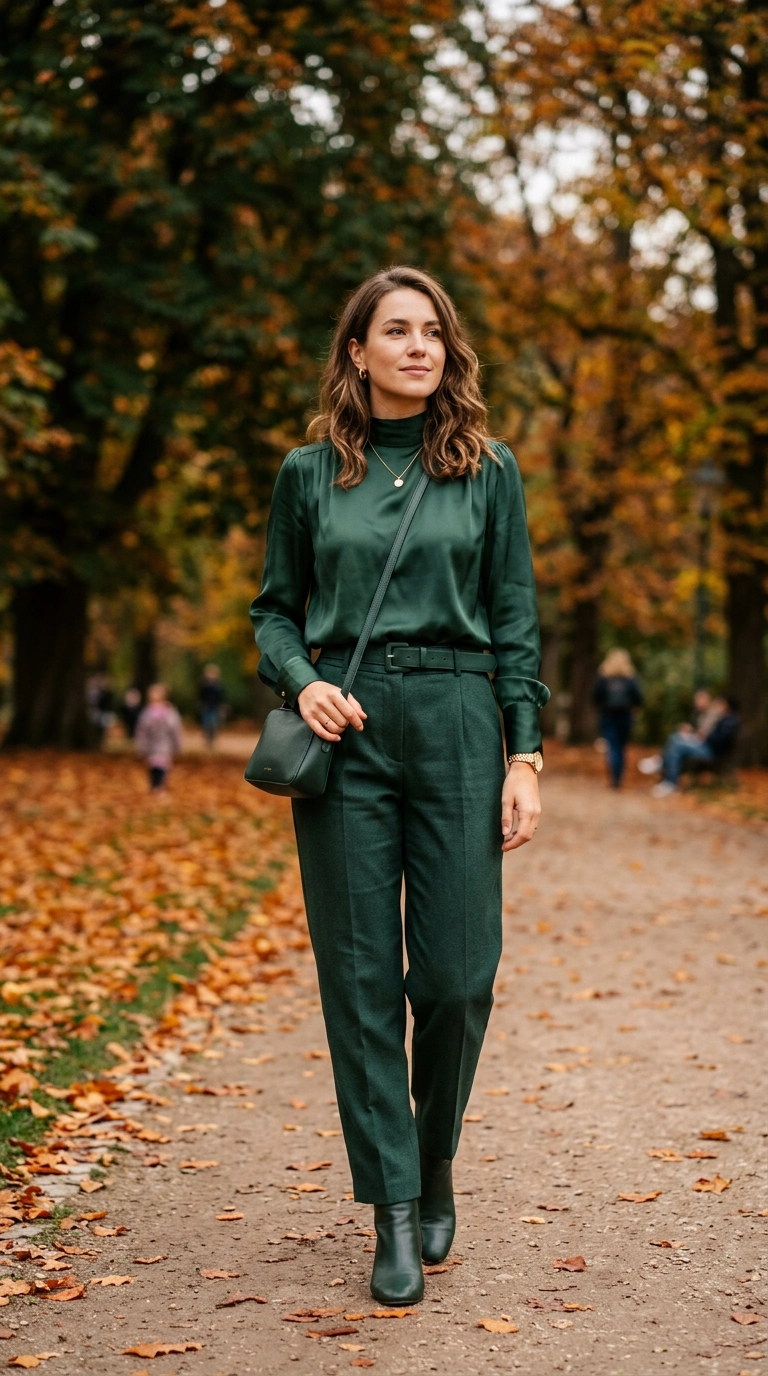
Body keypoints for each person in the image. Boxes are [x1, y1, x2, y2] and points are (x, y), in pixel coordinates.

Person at [250, 266, 549, 1306]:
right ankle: (389, 1210)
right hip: (350, 730)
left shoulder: (487, 468)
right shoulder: (307, 475)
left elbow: (514, 616)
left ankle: (433, 1162)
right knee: (363, 976)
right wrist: (304, 680)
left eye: (432, 331)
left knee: (460, 975)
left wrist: (525, 753)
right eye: (397, 330)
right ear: (358, 352)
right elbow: (272, 613)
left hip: (463, 719)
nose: (419, 346)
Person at [647, 694, 740, 797]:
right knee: (676, 738)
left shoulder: (729, 721)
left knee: (676, 744)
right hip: (706, 746)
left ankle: (667, 777)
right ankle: (664, 770)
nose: (719, 705)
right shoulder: (724, 718)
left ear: (727, 705)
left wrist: (705, 736)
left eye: (721, 703)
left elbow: (719, 739)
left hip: (711, 751)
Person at [592, 649, 643, 788]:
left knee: (612, 746)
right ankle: (619, 777)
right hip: (625, 715)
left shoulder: (604, 677)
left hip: (608, 714)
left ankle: (614, 777)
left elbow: (596, 696)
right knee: (621, 747)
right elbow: (638, 696)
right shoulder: (630, 677)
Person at [134, 683, 182, 791]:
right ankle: (156, 787)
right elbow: (142, 731)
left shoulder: (169, 712)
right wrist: (142, 746)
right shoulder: (148, 712)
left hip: (164, 745)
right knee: (155, 766)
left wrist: (177, 745)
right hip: (152, 745)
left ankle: (158, 787)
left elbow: (175, 730)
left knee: (162, 766)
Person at [198, 664, 226, 747]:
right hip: (206, 707)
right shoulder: (203, 684)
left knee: (213, 724)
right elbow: (200, 696)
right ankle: (207, 740)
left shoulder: (219, 685)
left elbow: (222, 697)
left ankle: (212, 740)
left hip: (215, 707)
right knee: (206, 724)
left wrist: (222, 706)